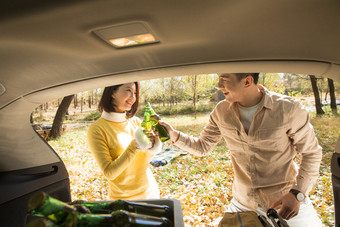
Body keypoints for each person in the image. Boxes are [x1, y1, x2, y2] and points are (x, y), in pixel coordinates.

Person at [160, 73, 322, 226]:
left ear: (247, 81)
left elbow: (312, 153)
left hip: (285, 202)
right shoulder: (220, 112)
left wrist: (297, 193)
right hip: (243, 203)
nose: (218, 85)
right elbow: (202, 147)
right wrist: (174, 135)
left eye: (224, 79)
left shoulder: (288, 109)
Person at [87, 82, 161, 200]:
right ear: (112, 92)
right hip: (124, 201)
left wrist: (153, 145)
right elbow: (109, 173)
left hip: (150, 194)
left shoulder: (135, 122)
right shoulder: (97, 129)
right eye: (128, 90)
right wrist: (136, 145)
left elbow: (144, 160)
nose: (133, 97)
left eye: (135, 93)